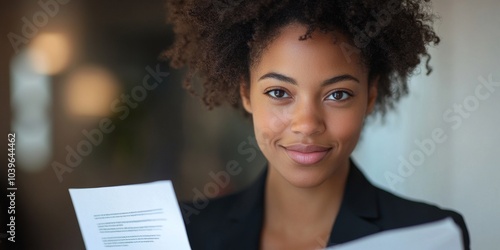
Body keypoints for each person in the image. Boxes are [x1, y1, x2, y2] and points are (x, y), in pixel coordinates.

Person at [165, 0, 470, 249]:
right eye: (279, 93)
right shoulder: (183, 234)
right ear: (246, 93)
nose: (308, 124)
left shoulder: (429, 235)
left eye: (337, 94)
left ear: (370, 95)